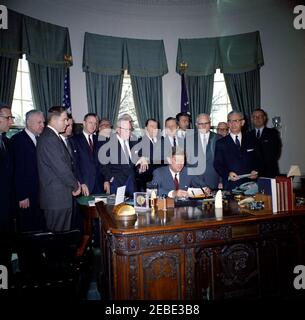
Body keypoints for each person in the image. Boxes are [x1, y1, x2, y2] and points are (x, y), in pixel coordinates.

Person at [37, 106, 81, 232]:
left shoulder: (52, 136)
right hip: (56, 200)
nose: (67, 123)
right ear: (54, 120)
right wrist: (75, 186)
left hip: (59, 198)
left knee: (61, 239)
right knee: (57, 241)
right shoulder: (50, 138)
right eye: (65, 119)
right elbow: (61, 168)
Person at [11, 110, 45, 232]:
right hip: (26, 196)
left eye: (43, 122)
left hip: (38, 194)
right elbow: (17, 170)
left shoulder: (39, 139)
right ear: (29, 123)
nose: (42, 125)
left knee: (37, 226)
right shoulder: (18, 140)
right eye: (39, 122)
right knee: (27, 228)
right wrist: (22, 195)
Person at [100, 118, 148, 196]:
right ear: (118, 130)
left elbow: (137, 158)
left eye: (129, 129)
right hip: (117, 183)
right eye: (126, 130)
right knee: (118, 208)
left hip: (132, 182)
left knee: (132, 207)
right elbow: (103, 164)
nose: (129, 132)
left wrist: (142, 159)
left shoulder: (133, 142)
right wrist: (110, 177)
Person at [214, 111, 258, 191]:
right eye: (230, 121)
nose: (233, 124)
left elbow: (259, 160)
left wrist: (256, 170)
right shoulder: (221, 143)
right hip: (230, 186)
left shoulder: (252, 140)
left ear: (242, 122)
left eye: (236, 121)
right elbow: (217, 164)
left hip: (250, 185)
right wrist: (228, 174)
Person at [72, 113, 106, 196]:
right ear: (84, 123)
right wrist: (81, 182)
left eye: (95, 123)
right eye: (90, 122)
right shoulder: (74, 140)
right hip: (84, 185)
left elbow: (103, 163)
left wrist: (106, 180)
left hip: (99, 185)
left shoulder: (99, 140)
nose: (93, 126)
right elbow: (75, 164)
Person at [187, 113, 221, 190]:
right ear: (196, 124)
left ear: (210, 123)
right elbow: (187, 164)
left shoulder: (219, 139)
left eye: (206, 123)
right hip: (194, 182)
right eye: (201, 124)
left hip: (214, 182)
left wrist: (221, 181)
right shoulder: (188, 140)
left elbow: (223, 162)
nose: (204, 126)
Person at [0, 105, 15, 270]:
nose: (11, 121)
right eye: (8, 118)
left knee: (5, 251)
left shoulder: (7, 142)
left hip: (7, 208)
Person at [248, 108, 282, 177]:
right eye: (255, 117)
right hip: (252, 174)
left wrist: (259, 169)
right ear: (251, 119)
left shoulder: (273, 133)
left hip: (270, 173)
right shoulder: (247, 135)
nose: (257, 118)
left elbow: (275, 154)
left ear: (264, 118)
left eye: (260, 116)